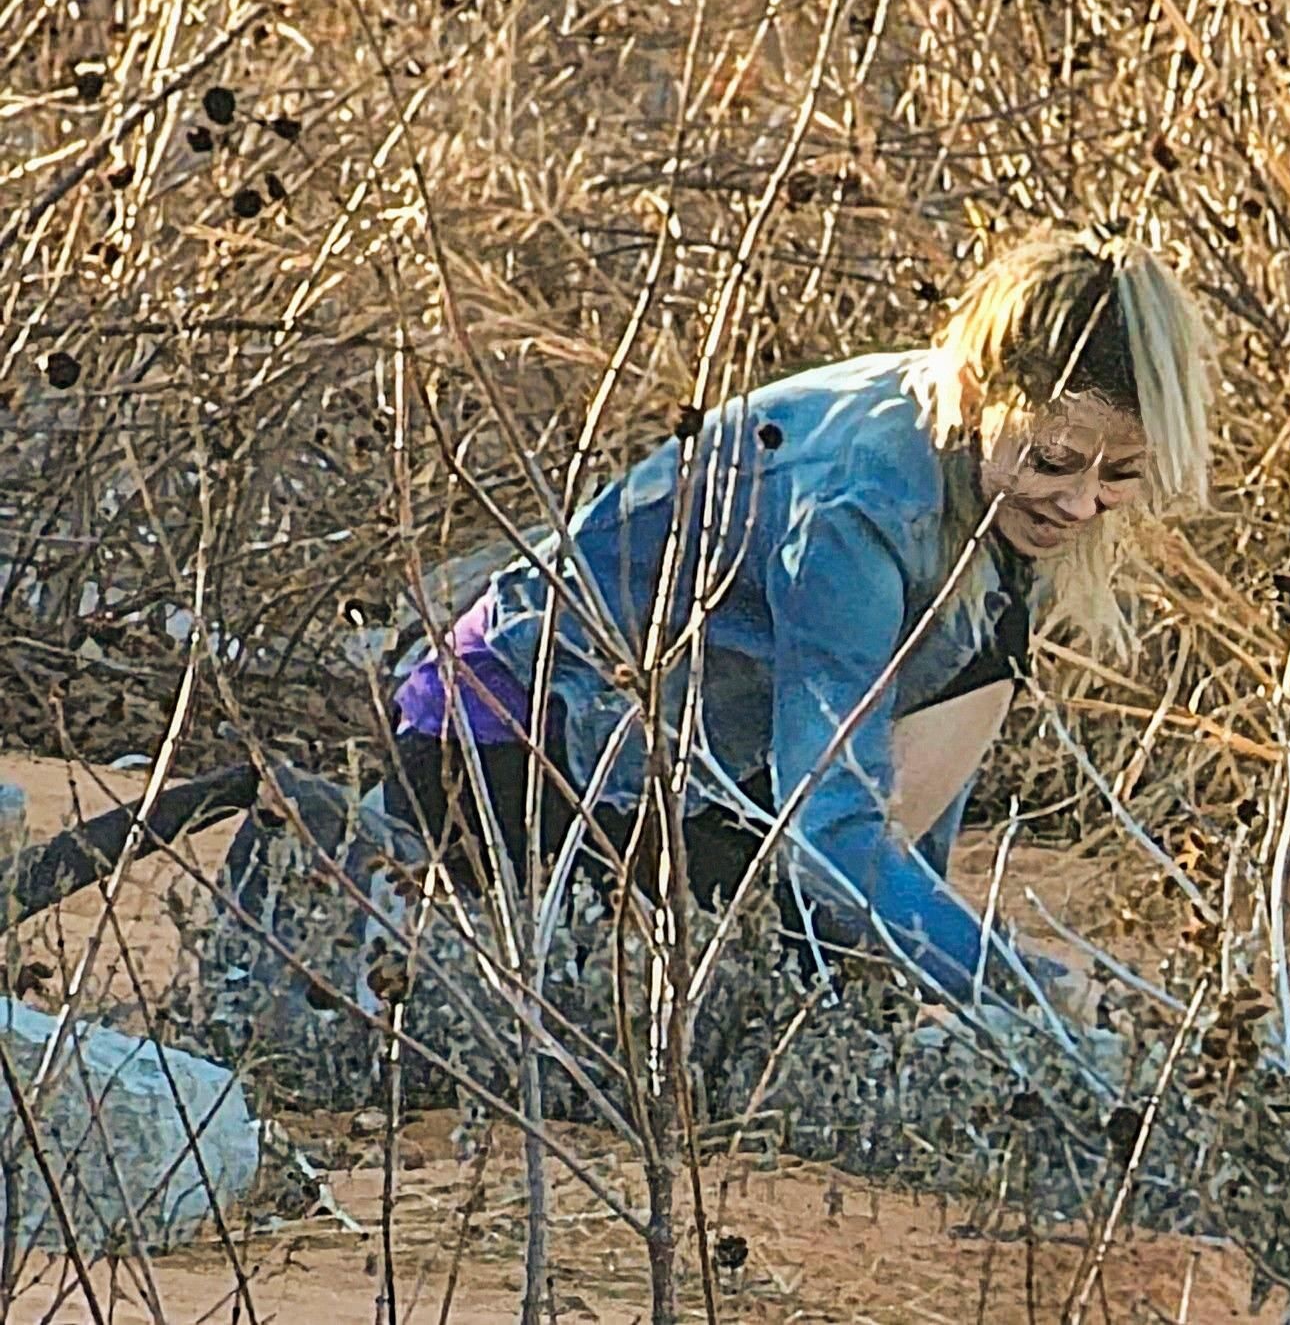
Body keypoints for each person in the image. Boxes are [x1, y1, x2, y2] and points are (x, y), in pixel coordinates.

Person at [386, 231, 1213, 1019]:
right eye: (1053, 461)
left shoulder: (979, 479)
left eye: (1121, 474)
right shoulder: (858, 501)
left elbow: (933, 721)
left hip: (675, 758)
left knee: (986, 654)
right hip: (506, 761)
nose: (1079, 502)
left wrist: (909, 975)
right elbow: (827, 829)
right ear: (979, 393)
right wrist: (1029, 993)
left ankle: (829, 979)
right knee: (785, 930)